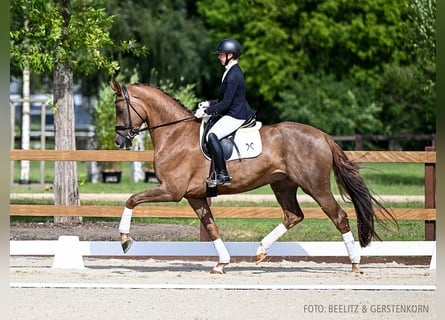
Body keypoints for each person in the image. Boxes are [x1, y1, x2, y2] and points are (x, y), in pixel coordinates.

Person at [195, 38, 256, 186]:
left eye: (221, 54)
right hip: (233, 110)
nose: (219, 57)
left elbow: (226, 103)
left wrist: (207, 111)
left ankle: (223, 174)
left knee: (211, 135)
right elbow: (224, 98)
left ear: (230, 55)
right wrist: (209, 103)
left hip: (236, 115)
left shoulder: (234, 74)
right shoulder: (230, 71)